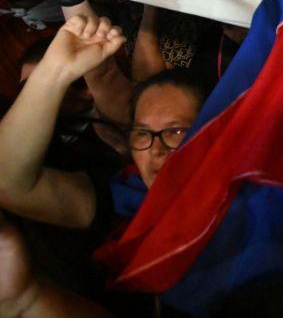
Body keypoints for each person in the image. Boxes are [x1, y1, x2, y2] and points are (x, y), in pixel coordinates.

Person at [0, 16, 204, 229]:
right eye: (142, 134)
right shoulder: (126, 196)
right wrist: (54, 71)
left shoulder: (239, 173)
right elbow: (7, 183)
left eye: (176, 131)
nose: (156, 149)